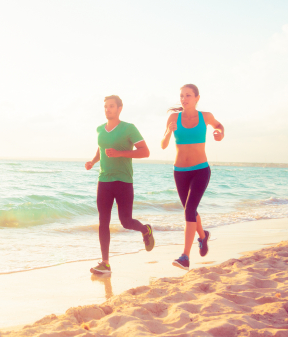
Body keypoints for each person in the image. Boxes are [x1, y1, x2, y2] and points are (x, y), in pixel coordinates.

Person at [85, 95, 155, 274]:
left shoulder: (128, 128)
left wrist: (120, 153)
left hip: (123, 181)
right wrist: (93, 161)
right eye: (106, 107)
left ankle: (145, 230)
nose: (108, 109)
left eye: (111, 106)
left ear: (119, 108)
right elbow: (101, 148)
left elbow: (145, 152)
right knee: (103, 222)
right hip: (104, 180)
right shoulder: (100, 129)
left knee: (125, 221)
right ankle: (105, 263)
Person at [160, 84, 224, 270]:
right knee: (191, 210)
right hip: (180, 172)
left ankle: (185, 257)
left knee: (189, 210)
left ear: (197, 98)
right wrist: (169, 131)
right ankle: (203, 236)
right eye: (181, 96)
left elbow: (219, 126)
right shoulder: (173, 118)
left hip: (200, 170)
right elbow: (163, 145)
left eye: (188, 95)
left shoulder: (205, 116)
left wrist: (219, 133)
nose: (184, 98)